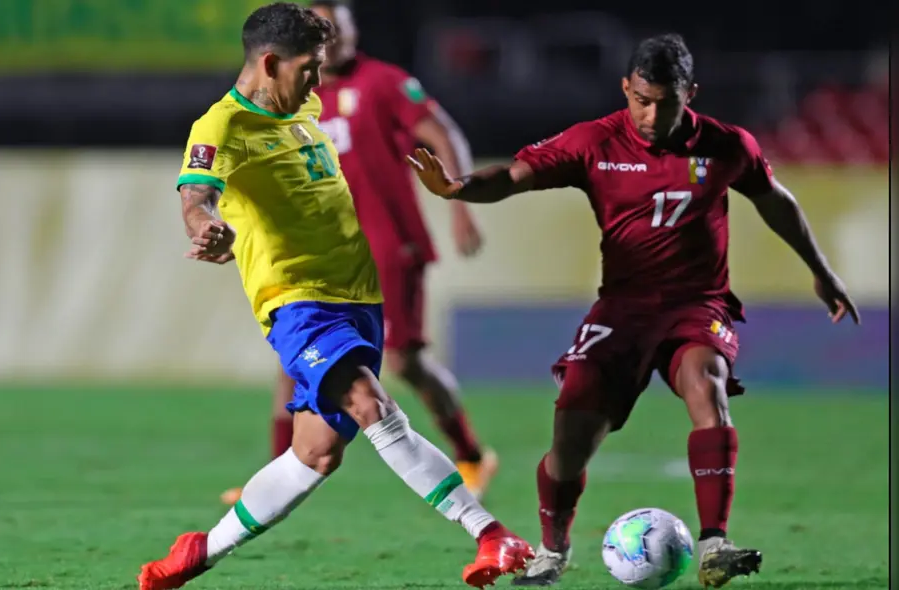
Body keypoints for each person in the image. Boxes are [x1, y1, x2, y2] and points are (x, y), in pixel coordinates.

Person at [408, 33, 859, 588]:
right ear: (626, 88)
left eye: (665, 102)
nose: (650, 114)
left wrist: (820, 269)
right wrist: (457, 188)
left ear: (689, 94)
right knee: (570, 436)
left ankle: (715, 542)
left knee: (706, 383)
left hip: (698, 304)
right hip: (622, 307)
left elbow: (775, 202)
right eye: (641, 99)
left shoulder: (726, 145)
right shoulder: (593, 141)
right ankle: (553, 551)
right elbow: (514, 177)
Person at [137, 4, 533, 589]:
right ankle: (490, 533)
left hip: (359, 299)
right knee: (373, 405)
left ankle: (200, 551)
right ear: (269, 64)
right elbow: (197, 196)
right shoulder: (220, 127)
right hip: (299, 303)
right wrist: (206, 226)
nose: (320, 83)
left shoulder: (304, 108)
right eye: (308, 69)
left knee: (317, 453)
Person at [221, 0, 496, 509]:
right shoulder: (295, 96)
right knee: (293, 358)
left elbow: (442, 132)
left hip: (390, 243)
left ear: (351, 31)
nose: (330, 42)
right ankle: (280, 472)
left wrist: (460, 201)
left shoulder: (384, 82)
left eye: (335, 30)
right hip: (322, 257)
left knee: (405, 361)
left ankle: (471, 452)